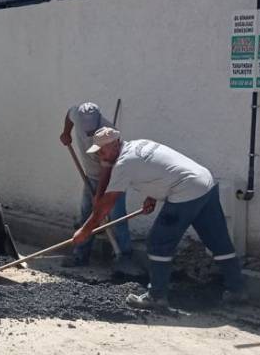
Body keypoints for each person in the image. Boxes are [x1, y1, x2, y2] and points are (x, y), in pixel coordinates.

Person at [72, 127, 246, 309]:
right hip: (204, 182)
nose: (100, 155)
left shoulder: (124, 164)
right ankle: (237, 290)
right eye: (98, 151)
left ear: (115, 143)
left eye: (102, 150)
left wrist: (86, 230)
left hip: (186, 189)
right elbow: (161, 169)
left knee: (158, 242)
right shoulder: (139, 145)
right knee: (218, 240)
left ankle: (156, 297)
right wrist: (152, 195)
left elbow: (106, 203)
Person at [59, 102, 134, 268]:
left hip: (113, 178)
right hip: (91, 176)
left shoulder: (108, 133)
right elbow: (69, 114)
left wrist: (99, 197)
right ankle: (81, 256)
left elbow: (107, 169)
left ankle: (125, 260)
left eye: (92, 132)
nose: (88, 134)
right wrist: (66, 133)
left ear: (99, 121)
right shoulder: (77, 115)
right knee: (86, 215)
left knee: (117, 218)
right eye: (86, 131)